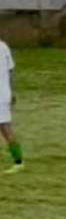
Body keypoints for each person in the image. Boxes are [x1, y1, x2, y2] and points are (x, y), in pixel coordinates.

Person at [0, 38, 23, 174]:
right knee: (5, 129)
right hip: (4, 94)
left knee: (6, 129)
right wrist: (12, 91)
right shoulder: (4, 46)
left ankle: (18, 162)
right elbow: (11, 71)